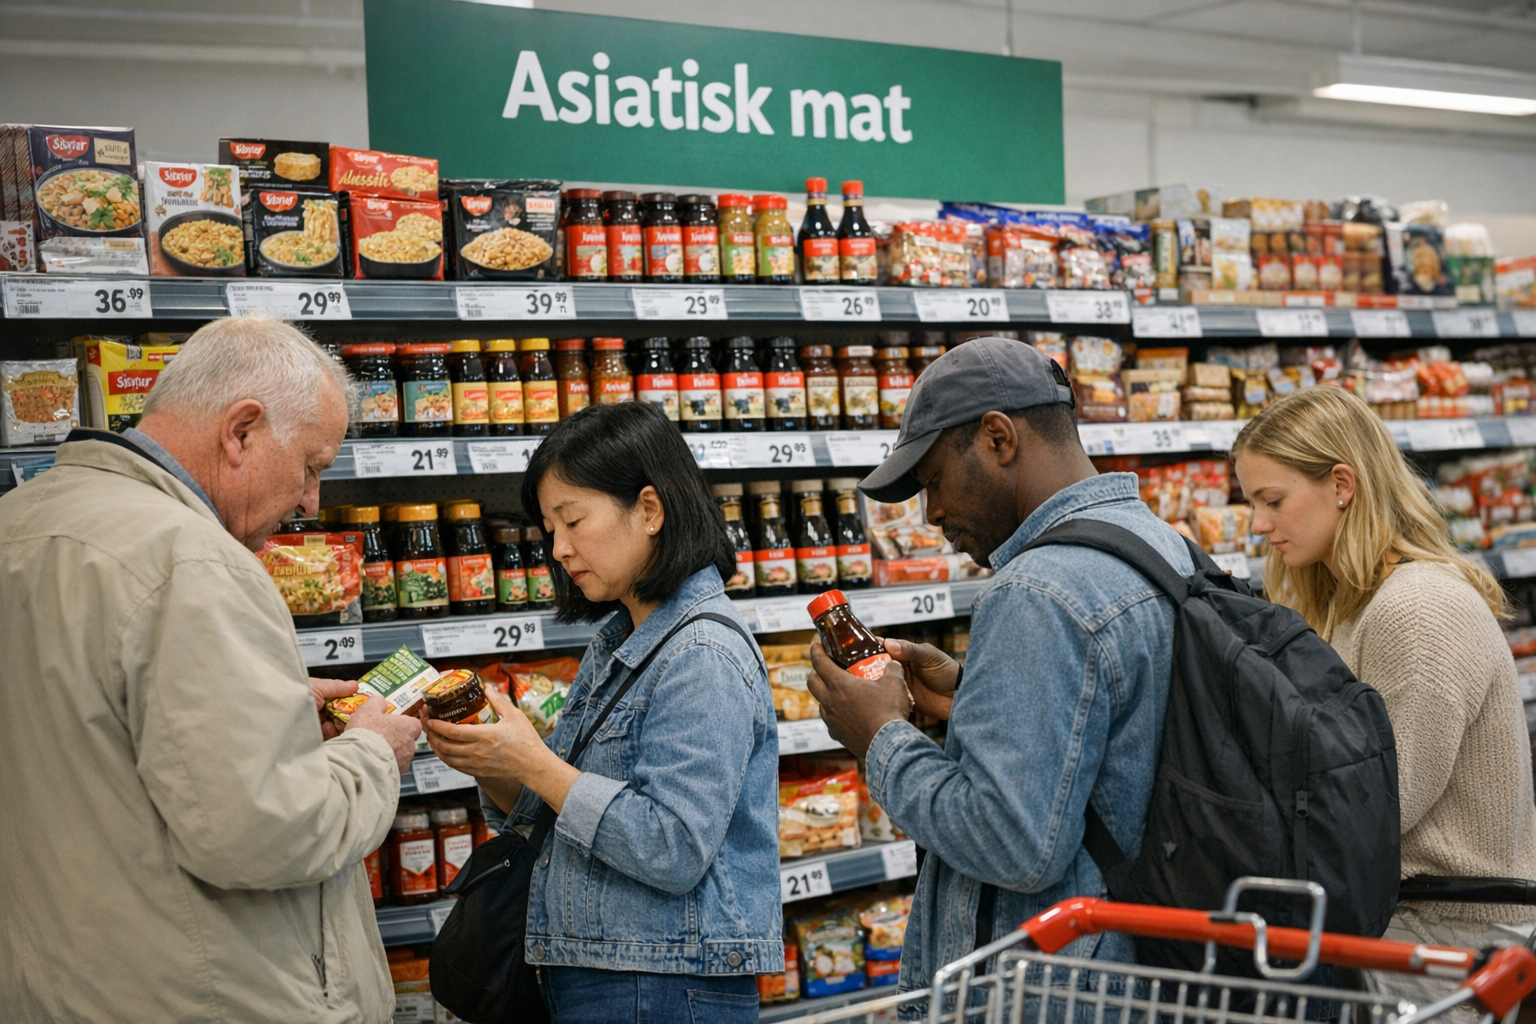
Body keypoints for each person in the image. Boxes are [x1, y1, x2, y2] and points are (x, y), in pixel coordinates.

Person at [0, 316, 421, 1023]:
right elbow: (264, 833)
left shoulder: (21, 518)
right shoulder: (192, 559)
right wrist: (373, 753)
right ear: (242, 431)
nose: (311, 502)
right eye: (312, 466)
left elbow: (95, 737)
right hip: (204, 997)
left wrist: (272, 710)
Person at [807, 337, 1193, 998]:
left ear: (997, 438)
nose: (932, 513)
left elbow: (1011, 842)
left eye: (933, 480)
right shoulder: (1164, 546)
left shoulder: (1036, 591)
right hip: (1144, 970)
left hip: (1054, 992)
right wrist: (976, 696)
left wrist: (880, 739)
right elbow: (1123, 739)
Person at [425, 400, 781, 1023]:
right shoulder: (619, 642)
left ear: (649, 510)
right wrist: (491, 757)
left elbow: (672, 846)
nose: (559, 548)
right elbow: (561, 813)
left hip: (664, 986)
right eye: (549, 529)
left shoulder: (702, 653)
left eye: (573, 520)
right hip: (606, 972)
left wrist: (534, 764)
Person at [1231, 385, 1536, 1005]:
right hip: (1400, 916)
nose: (1259, 525)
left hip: (1446, 933)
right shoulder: (1351, 602)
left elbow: (1379, 808)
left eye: (1273, 500)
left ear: (1342, 485)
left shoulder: (1416, 609)